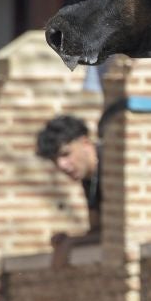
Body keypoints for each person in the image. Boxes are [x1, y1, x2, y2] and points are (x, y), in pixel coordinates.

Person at [35, 114, 101, 267]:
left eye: (66, 154)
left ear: (85, 143)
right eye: (54, 160)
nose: (61, 165)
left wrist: (71, 243)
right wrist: (67, 240)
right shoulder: (89, 178)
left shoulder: (110, 168)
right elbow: (98, 230)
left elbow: (121, 234)